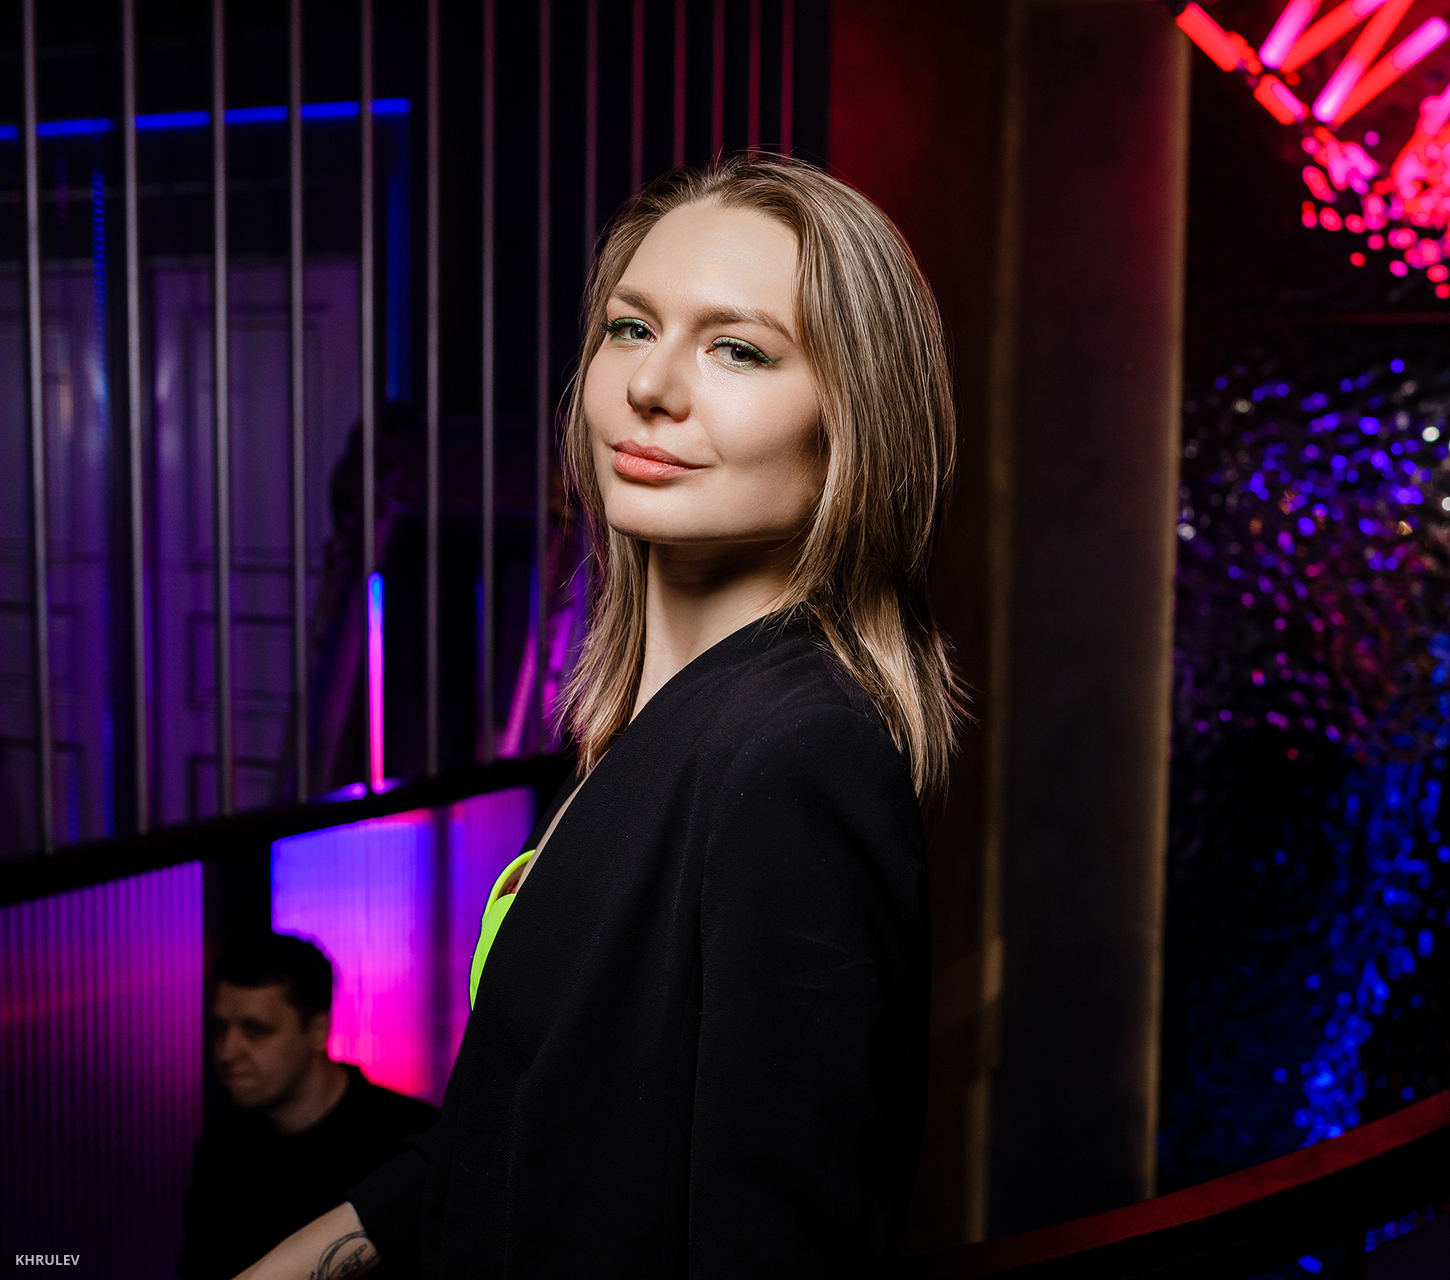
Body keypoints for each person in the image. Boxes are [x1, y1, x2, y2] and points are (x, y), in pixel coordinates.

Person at [236, 154, 959, 1278]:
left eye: (738, 348)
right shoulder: (657, 724)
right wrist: (327, 1243)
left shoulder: (797, 753)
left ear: (851, 430)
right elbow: (535, 1113)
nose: (651, 384)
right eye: (631, 328)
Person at [178, 934, 437, 1280]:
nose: (227, 1051)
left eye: (255, 1031)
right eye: (220, 1028)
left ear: (317, 1031)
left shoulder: (407, 1142)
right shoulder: (226, 1143)